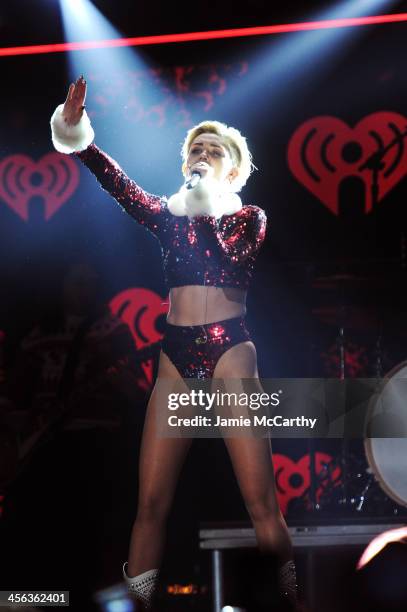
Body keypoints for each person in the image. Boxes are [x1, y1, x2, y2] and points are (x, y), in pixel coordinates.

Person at [50, 76, 297, 611]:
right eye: (195, 151)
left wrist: (203, 198)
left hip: (230, 349)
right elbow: (119, 185)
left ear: (232, 168)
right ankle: (140, 604)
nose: (202, 156)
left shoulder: (248, 219)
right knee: (151, 505)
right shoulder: (167, 217)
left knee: (261, 504)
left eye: (213, 152)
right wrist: (80, 139)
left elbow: (225, 255)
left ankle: (288, 602)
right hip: (177, 354)